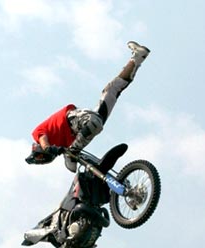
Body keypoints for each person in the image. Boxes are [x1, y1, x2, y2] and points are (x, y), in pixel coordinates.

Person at [25, 40, 150, 171]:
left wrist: (47, 149)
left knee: (93, 124)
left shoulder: (38, 134)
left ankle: (73, 154)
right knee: (112, 90)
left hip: (73, 119)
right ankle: (137, 57)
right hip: (88, 125)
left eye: (40, 155)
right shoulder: (63, 147)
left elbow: (44, 141)